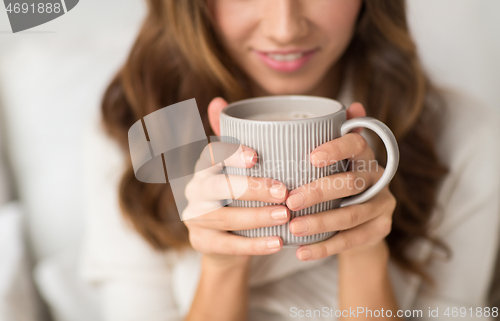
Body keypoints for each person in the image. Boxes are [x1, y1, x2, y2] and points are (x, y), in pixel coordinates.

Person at [79, 0, 500, 320]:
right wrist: (224, 266)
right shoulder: (146, 130)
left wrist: (366, 253)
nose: (285, 29)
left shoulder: (463, 137)